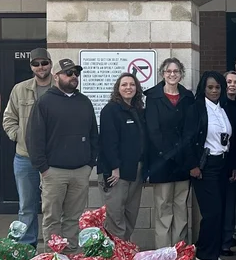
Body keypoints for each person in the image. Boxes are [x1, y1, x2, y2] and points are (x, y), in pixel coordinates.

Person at [25, 58, 98, 242]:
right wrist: (44, 169)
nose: (74, 76)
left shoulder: (84, 102)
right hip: (54, 172)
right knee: (52, 219)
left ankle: (71, 258)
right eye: (69, 73)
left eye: (76, 73)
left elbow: (93, 135)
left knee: (73, 219)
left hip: (81, 171)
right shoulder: (44, 102)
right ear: (56, 77)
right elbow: (34, 138)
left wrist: (90, 164)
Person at [1, 46, 53, 245]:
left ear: (50, 63)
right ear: (31, 67)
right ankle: (26, 250)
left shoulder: (59, 88)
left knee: (53, 207)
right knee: (26, 206)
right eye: (36, 64)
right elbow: (8, 118)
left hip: (53, 159)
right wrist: (18, 136)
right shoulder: (20, 89)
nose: (41, 67)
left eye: (44, 63)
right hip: (25, 158)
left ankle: (53, 250)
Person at [145, 57, 196, 249]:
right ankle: (163, 252)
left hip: (183, 162)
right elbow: (153, 131)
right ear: (162, 74)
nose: (172, 75)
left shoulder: (187, 97)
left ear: (181, 74)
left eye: (176, 71)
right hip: (161, 161)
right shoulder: (153, 97)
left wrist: (184, 156)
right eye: (168, 71)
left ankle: (179, 251)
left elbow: (190, 130)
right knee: (163, 209)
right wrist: (170, 154)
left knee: (181, 208)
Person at [189, 71, 236, 260]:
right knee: (212, 212)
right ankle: (205, 253)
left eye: (218, 87)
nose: (214, 90)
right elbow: (188, 140)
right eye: (210, 87)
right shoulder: (196, 109)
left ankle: (214, 251)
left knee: (221, 210)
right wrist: (193, 165)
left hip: (222, 163)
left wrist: (232, 165)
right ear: (203, 88)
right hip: (205, 165)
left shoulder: (222, 108)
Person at [96, 72, 146, 241]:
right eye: (124, 85)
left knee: (131, 215)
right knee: (115, 217)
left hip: (135, 171)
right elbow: (108, 142)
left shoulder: (138, 110)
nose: (128, 88)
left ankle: (124, 251)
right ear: (118, 88)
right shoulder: (110, 110)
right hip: (116, 173)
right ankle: (115, 258)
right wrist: (114, 168)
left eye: (132, 85)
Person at [221, 71, 236, 255]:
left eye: (235, 82)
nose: (232, 85)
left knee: (231, 205)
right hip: (216, 163)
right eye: (228, 81)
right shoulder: (217, 106)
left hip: (234, 165)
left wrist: (235, 166)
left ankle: (227, 242)